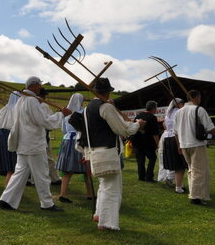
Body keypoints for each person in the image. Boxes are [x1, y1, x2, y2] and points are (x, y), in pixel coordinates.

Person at [0, 76, 72, 211]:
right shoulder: (31, 100)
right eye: (39, 85)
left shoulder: (21, 100)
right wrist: (61, 114)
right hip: (33, 143)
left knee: (19, 174)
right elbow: (43, 121)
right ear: (33, 85)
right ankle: (47, 203)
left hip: (23, 143)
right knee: (42, 174)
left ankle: (6, 200)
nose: (40, 87)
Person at [81, 78, 145, 230]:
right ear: (108, 92)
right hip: (108, 151)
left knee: (104, 186)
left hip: (95, 151)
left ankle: (98, 214)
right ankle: (107, 223)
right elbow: (123, 130)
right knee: (112, 190)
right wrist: (138, 124)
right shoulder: (105, 108)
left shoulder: (87, 108)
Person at [174, 90, 215, 206]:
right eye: (199, 97)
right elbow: (210, 127)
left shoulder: (179, 112)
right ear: (194, 97)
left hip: (184, 144)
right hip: (196, 144)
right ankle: (196, 197)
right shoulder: (199, 109)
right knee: (199, 171)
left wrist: (179, 145)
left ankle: (194, 193)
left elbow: (175, 132)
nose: (200, 99)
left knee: (191, 170)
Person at [55, 93, 87, 203]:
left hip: (66, 141)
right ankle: (90, 194)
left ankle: (63, 194)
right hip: (78, 141)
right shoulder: (82, 112)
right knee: (86, 168)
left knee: (67, 169)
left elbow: (63, 130)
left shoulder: (65, 113)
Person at [158, 98, 188, 194]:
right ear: (178, 104)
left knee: (177, 164)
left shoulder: (168, 114)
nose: (184, 105)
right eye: (182, 103)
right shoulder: (179, 112)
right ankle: (178, 187)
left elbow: (165, 125)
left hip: (167, 138)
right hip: (175, 138)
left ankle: (179, 184)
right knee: (180, 165)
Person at [0, 91, 20, 185]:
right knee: (12, 166)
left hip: (0, 135)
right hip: (9, 136)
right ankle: (8, 189)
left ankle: (10, 188)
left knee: (10, 165)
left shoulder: (4, 109)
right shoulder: (17, 110)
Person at [131, 100, 160, 182]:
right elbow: (155, 133)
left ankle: (141, 176)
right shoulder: (153, 117)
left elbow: (134, 128)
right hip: (148, 142)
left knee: (140, 159)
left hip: (137, 141)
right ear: (153, 108)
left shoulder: (139, 115)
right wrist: (158, 144)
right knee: (152, 158)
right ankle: (149, 177)